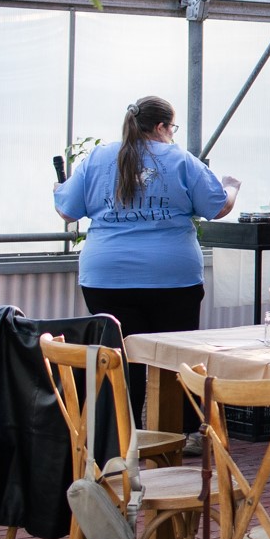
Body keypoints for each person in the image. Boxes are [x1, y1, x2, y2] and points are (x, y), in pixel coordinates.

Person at [54, 95, 239, 416]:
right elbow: (217, 206)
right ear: (161, 126)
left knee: (121, 358)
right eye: (172, 127)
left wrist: (58, 188)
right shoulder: (180, 159)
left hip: (106, 279)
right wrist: (231, 187)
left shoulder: (98, 158)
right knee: (175, 359)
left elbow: (66, 211)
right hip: (172, 279)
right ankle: (177, 435)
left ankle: (123, 439)